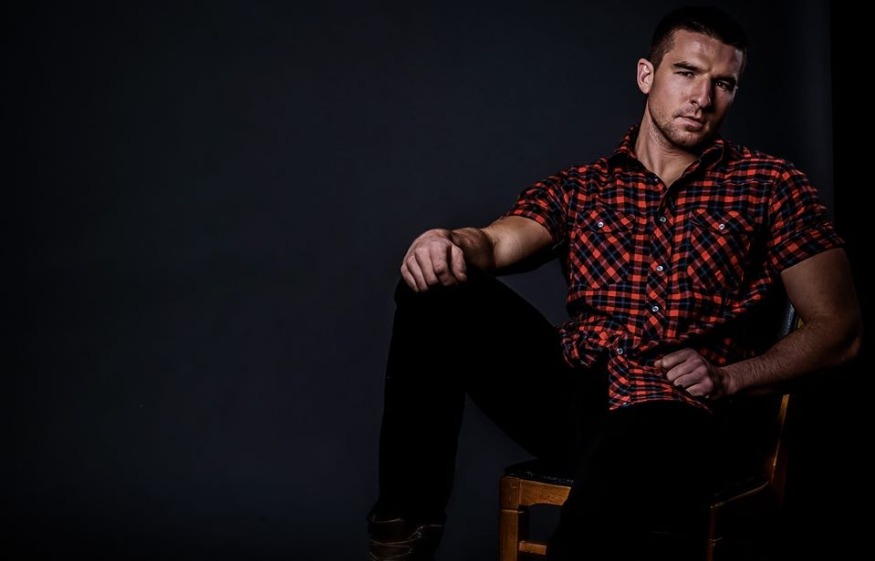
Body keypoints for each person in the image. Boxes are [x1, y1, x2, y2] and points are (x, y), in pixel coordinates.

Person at [366, 5, 863, 561]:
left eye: (723, 83)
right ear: (647, 75)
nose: (703, 98)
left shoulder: (771, 185)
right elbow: (495, 243)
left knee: (625, 467)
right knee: (434, 284)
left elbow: (838, 329)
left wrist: (729, 378)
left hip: (681, 412)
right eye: (687, 72)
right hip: (576, 396)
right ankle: (404, 532)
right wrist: (447, 240)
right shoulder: (582, 187)